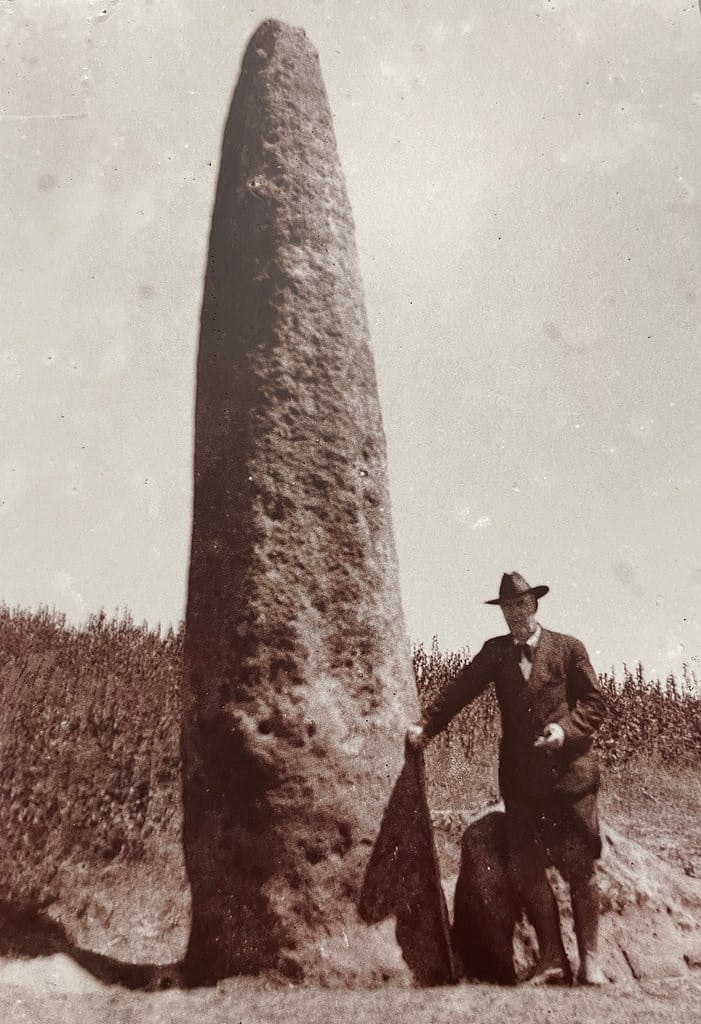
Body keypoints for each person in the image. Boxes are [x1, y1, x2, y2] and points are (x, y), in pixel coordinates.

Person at [406, 571, 607, 986]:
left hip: (570, 776)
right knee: (526, 868)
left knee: (579, 866)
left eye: (521, 605)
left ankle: (591, 962)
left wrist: (564, 730)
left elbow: (594, 702)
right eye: (507, 609)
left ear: (535, 606)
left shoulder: (568, 648)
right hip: (521, 781)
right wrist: (427, 726)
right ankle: (552, 957)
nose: (514, 615)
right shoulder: (496, 653)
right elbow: (459, 691)